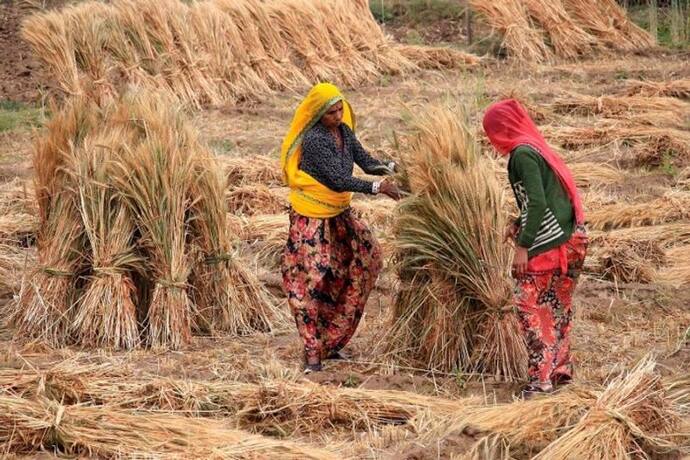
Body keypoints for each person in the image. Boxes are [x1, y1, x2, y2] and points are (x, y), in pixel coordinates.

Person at [280, 82, 401, 373]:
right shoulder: (314, 140)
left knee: (365, 259)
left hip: (337, 213)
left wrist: (396, 168)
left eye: (339, 109)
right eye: (331, 112)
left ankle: (330, 341)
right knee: (312, 278)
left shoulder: (344, 132)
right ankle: (312, 351)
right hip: (312, 217)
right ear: (318, 113)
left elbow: (367, 162)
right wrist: (378, 187)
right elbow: (338, 179)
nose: (337, 115)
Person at [483, 99, 588, 399]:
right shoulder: (535, 147)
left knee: (531, 308)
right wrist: (519, 221)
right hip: (574, 239)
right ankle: (560, 373)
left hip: (554, 245)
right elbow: (544, 200)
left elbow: (539, 204)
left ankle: (540, 382)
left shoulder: (523, 154)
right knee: (558, 308)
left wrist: (523, 246)